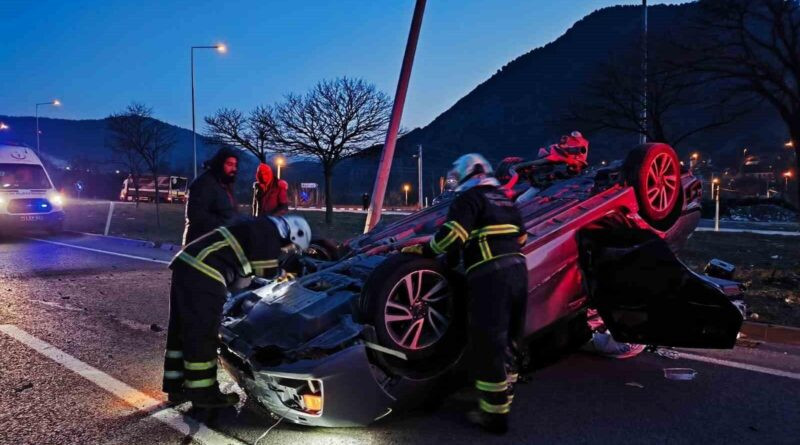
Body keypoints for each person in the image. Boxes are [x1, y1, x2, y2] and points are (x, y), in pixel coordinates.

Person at [403, 154, 527, 434]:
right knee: (511, 336)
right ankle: (506, 392)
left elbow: (452, 235)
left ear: (468, 174)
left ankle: (494, 415)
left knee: (488, 341)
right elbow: (522, 238)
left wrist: (426, 251)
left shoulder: (469, 199)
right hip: (519, 271)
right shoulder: (504, 198)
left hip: (489, 275)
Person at [162, 214, 312, 408]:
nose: (285, 250)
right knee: (204, 334)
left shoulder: (259, 225)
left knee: (181, 328)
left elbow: (243, 273)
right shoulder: (269, 233)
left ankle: (176, 387)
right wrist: (288, 276)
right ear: (291, 234)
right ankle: (204, 394)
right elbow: (265, 273)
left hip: (188, 264)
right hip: (206, 272)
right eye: (289, 247)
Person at [182, 148, 240, 245]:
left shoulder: (225, 185)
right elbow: (197, 218)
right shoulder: (204, 184)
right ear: (220, 164)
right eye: (229, 164)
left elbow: (229, 212)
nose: (233, 169)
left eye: (235, 165)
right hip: (201, 246)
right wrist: (228, 225)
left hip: (218, 244)